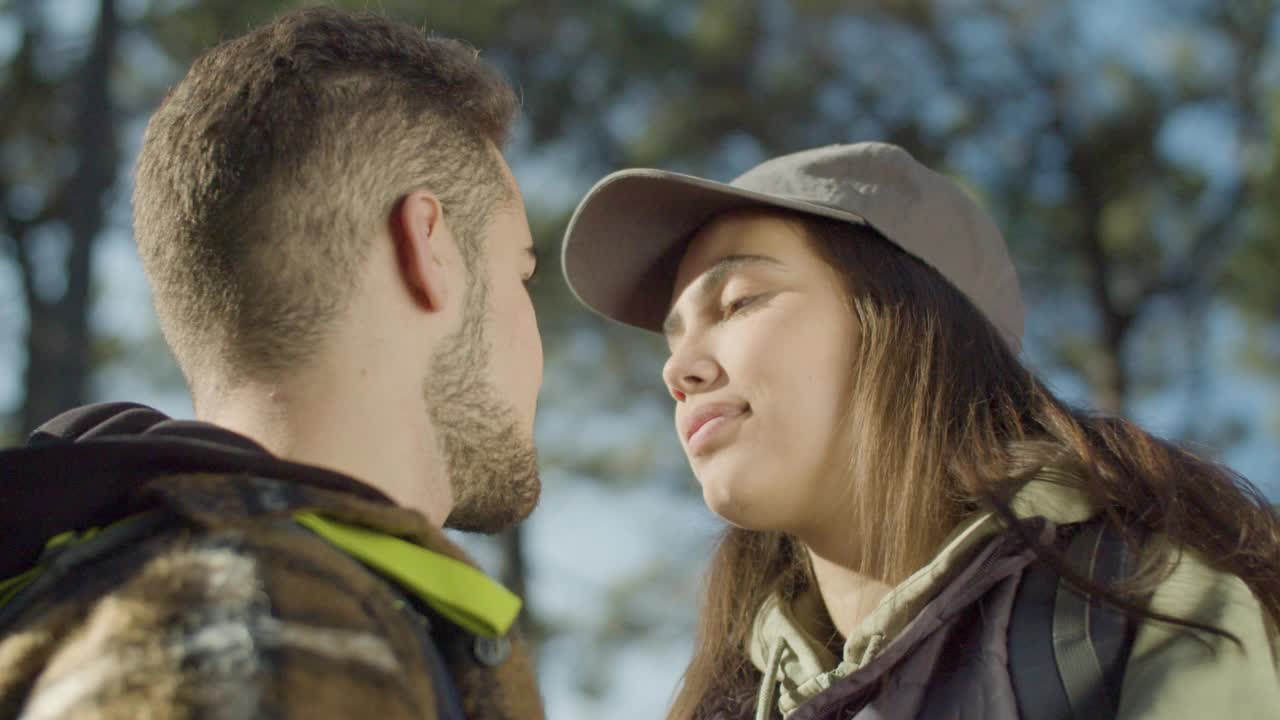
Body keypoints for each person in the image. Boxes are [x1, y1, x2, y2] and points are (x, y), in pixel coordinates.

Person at [561, 142, 1280, 719]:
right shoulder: (727, 701)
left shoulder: (1143, 604)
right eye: (672, 338)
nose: (678, 368)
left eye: (740, 300)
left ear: (908, 327)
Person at [0, 7, 544, 719]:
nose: (538, 342)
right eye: (521, 274)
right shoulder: (271, 622)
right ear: (429, 247)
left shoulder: (101, 579)